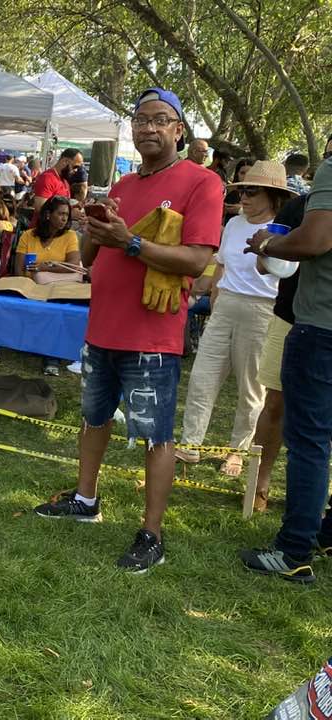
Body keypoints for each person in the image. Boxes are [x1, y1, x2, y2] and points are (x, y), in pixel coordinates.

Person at [33, 87, 223, 574]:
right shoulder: (120, 185)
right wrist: (96, 227)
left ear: (179, 129)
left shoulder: (202, 182)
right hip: (103, 327)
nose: (148, 128)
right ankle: (85, 499)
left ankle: (151, 534)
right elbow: (95, 259)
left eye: (160, 120)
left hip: (153, 335)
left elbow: (199, 258)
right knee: (93, 419)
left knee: (155, 436)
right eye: (140, 120)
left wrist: (132, 241)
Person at [240, 150, 332, 583]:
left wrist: (268, 243)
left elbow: (315, 241)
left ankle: (294, 549)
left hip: (321, 326)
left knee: (309, 443)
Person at [176, 160, 294, 476]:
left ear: (272, 196)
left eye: (251, 191)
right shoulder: (233, 225)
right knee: (202, 378)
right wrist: (205, 297)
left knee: (250, 388)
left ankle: (237, 452)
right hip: (225, 305)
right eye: (242, 190)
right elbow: (221, 268)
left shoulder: (283, 231)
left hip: (262, 311)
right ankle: (190, 445)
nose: (243, 197)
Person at [248, 193, 307, 512]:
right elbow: (264, 264)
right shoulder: (299, 206)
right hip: (290, 316)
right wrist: (267, 249)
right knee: (275, 403)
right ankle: (259, 484)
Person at [12, 196, 81, 375]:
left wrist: (45, 266)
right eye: (61, 214)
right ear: (48, 215)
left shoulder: (70, 236)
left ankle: (51, 359)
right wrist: (25, 288)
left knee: (56, 309)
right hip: (29, 286)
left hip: (56, 289)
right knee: (4, 302)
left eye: (67, 215)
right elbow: (18, 268)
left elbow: (74, 264)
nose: (65, 218)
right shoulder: (28, 235)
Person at [31, 149, 83, 221]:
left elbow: (58, 205)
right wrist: (69, 214)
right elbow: (41, 209)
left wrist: (73, 206)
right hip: (43, 230)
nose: (76, 170)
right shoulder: (47, 178)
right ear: (65, 161)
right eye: (75, 167)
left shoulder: (64, 180)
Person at [223, 158, 253, 223]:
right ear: (237, 175)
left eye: (249, 173)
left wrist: (241, 210)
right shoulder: (232, 194)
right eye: (242, 173)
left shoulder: (262, 194)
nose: (246, 176)